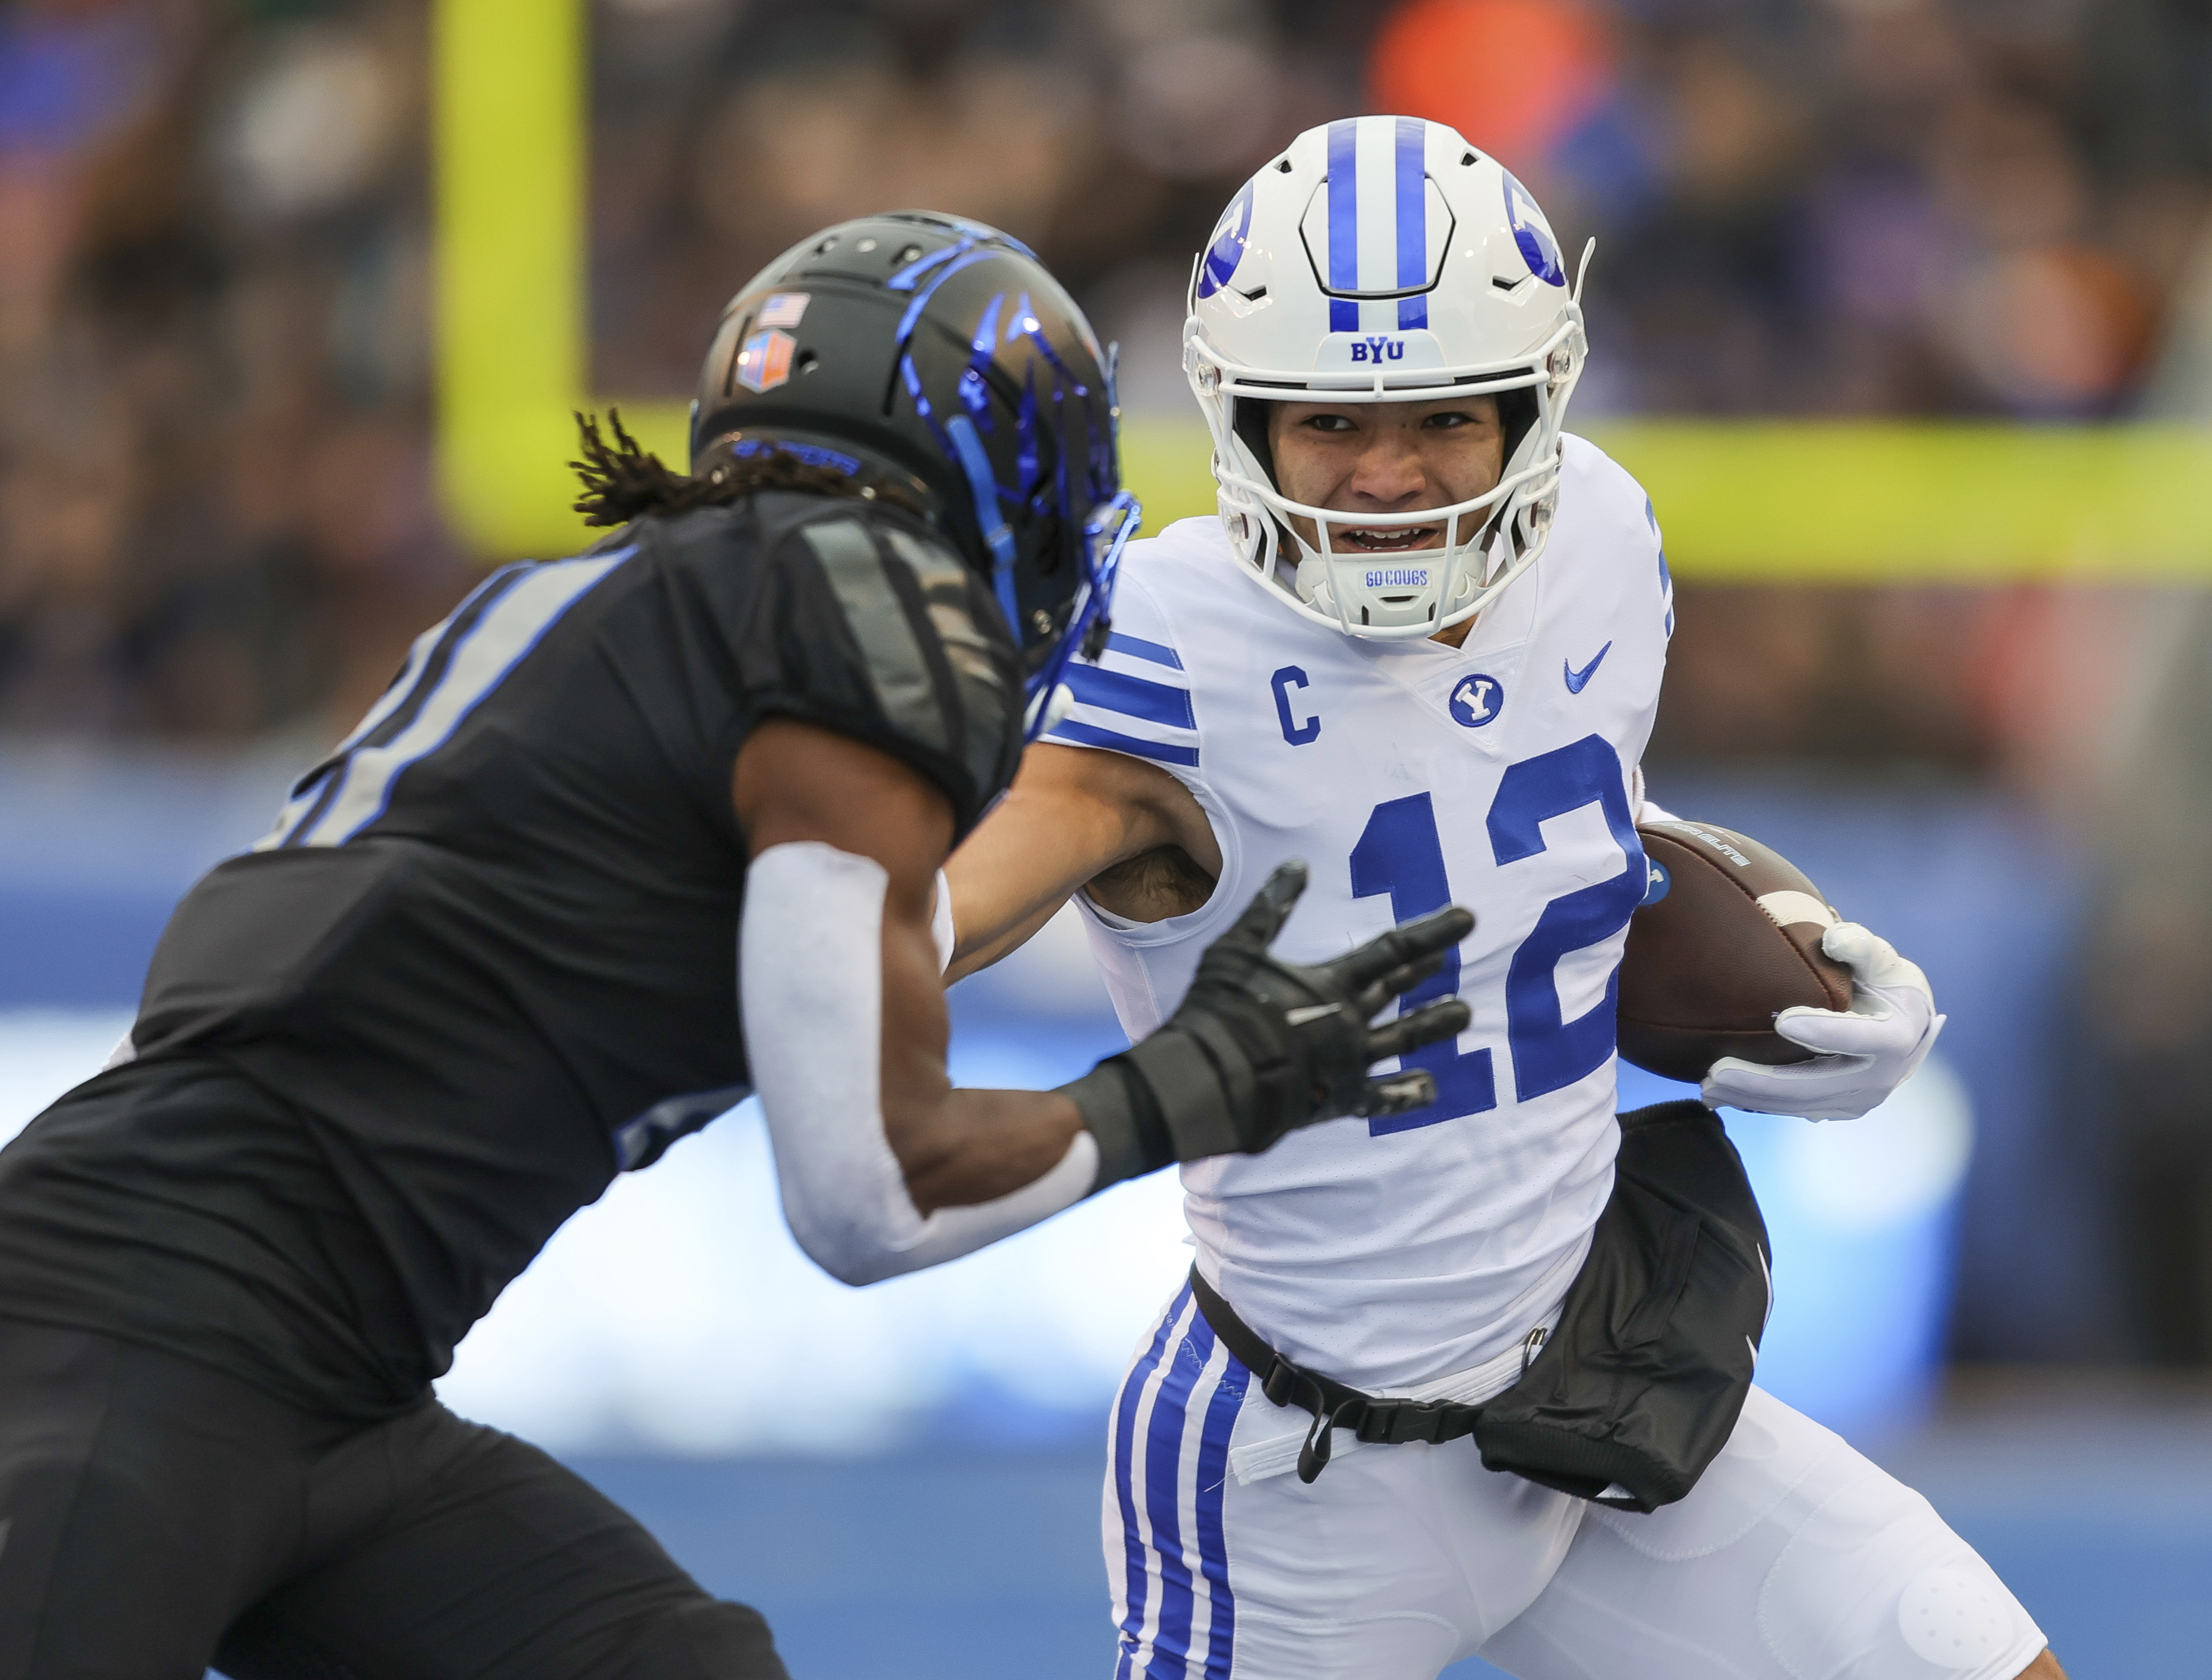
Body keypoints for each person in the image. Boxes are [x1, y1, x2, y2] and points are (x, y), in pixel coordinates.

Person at [0, 212, 1472, 1680]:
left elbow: (811, 964)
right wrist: (1194, 1088)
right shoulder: (867, 614)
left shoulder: (604, 600)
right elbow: (870, 1198)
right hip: (127, 1354)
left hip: (302, 1378)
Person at [946, 123, 2067, 1680]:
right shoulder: (1165, 656)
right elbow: (942, 907)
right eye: (1331, 418)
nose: (1388, 472)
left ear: (1532, 406)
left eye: (1442, 417)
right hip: (1301, 1479)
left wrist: (1796, 945)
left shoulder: (1598, 540)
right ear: (1242, 414)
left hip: (1598, 1386)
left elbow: (1572, 824)